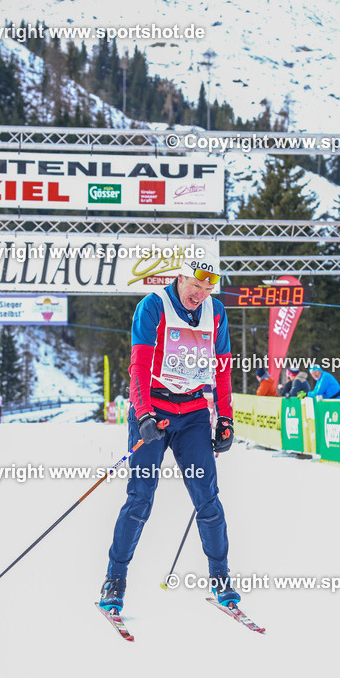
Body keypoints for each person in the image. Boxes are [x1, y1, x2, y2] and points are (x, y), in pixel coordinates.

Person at [99, 257, 239, 614]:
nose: (201, 294)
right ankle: (115, 580)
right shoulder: (153, 306)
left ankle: (221, 579)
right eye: (196, 285)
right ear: (181, 276)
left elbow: (222, 370)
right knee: (140, 498)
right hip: (155, 412)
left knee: (208, 500)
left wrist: (225, 418)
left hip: (192, 413)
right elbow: (139, 366)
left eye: (208, 288)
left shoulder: (216, 312)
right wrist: (143, 413)